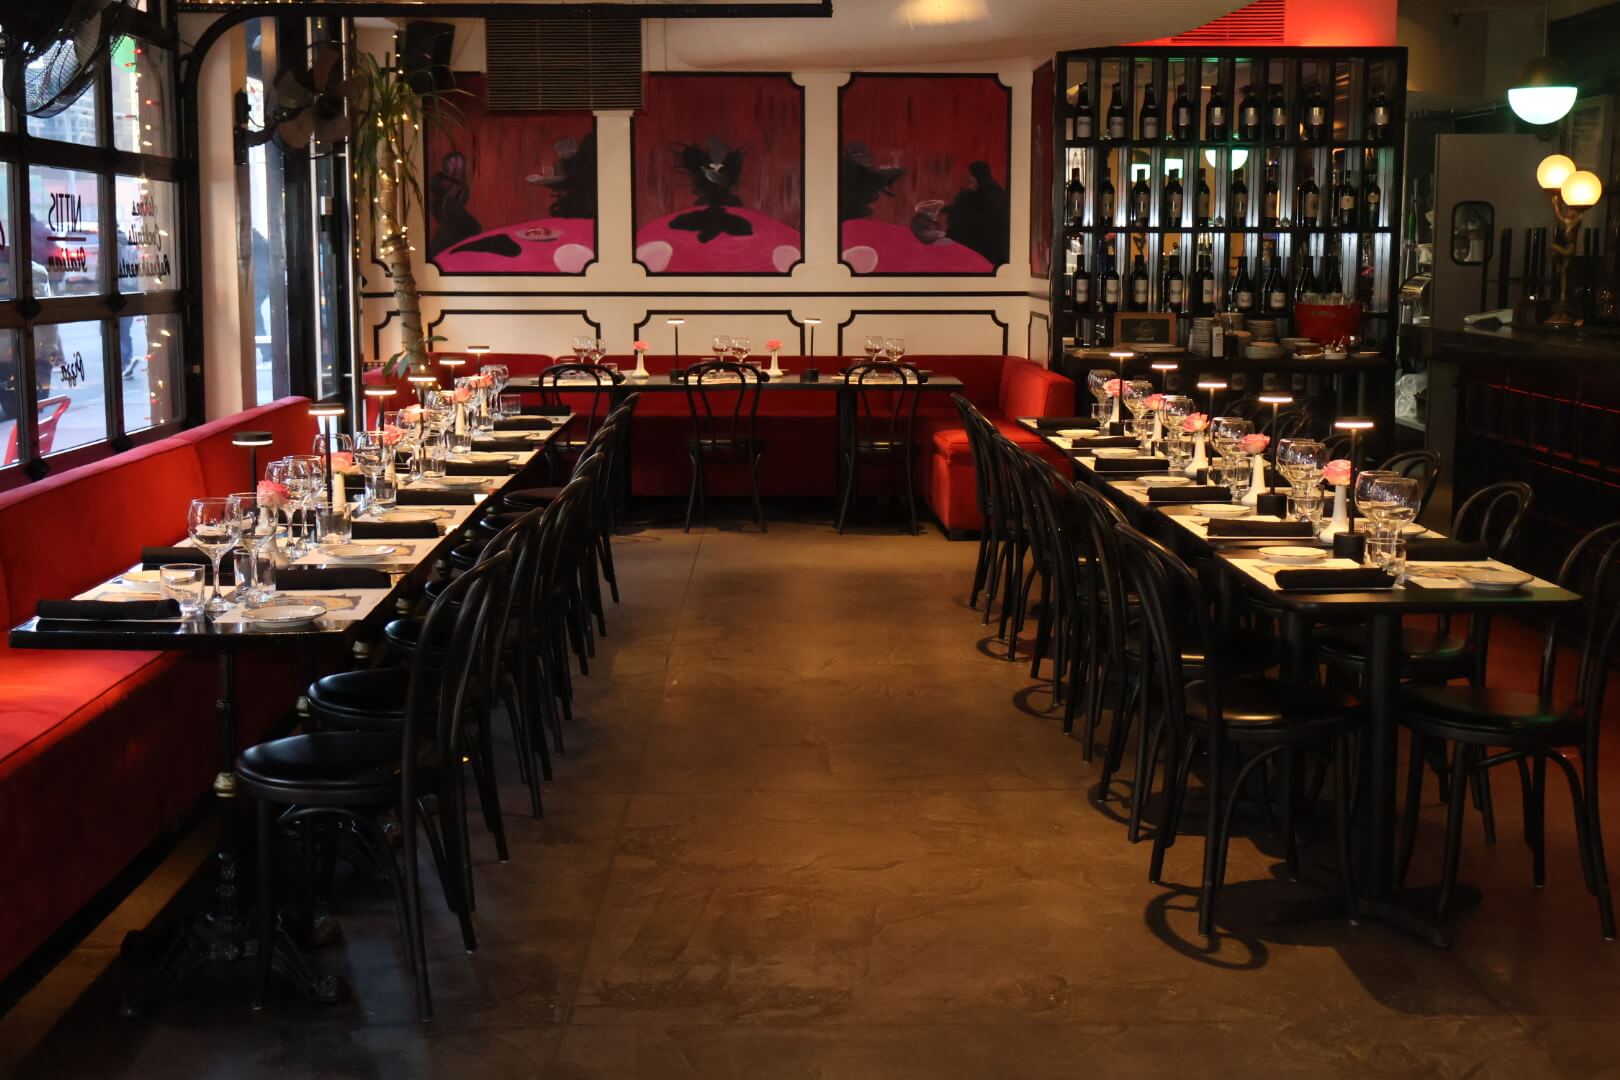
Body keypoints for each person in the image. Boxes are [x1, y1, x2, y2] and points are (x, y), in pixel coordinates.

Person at [945, 160, 1010, 266]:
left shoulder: (994, 195)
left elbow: (985, 223)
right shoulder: (969, 195)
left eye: (970, 179)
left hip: (987, 249)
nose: (967, 182)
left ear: (979, 178)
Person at [427, 151, 482, 256]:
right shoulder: (439, 180)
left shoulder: (462, 185)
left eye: (459, 166)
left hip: (458, 221)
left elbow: (462, 200)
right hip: (448, 221)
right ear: (446, 166)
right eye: (453, 164)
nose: (457, 167)